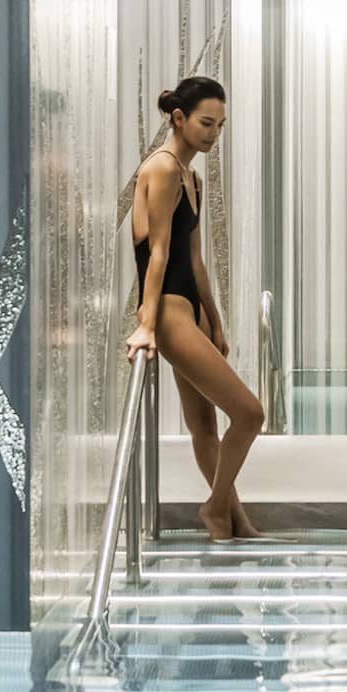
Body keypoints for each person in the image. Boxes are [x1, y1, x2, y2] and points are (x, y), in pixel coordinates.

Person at [126, 75, 264, 541]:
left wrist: (216, 321)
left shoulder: (192, 177)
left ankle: (233, 521)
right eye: (206, 123)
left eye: (221, 126)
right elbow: (157, 252)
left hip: (191, 310)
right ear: (179, 118)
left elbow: (196, 261)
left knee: (204, 425)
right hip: (167, 311)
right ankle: (214, 506)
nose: (213, 134)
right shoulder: (161, 169)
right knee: (250, 414)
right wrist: (147, 325)